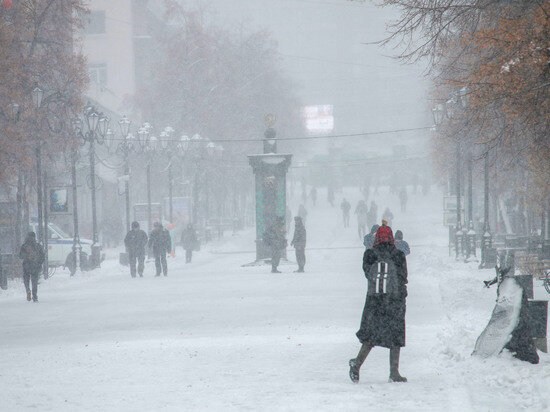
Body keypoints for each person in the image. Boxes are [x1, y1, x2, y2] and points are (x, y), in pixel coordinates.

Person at [350, 223, 408, 383]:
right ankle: (394, 372)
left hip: (374, 302)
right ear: (391, 238)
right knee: (395, 337)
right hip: (394, 301)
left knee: (371, 336)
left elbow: (368, 274)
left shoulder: (369, 254)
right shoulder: (398, 255)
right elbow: (403, 278)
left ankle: (357, 363)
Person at [19, 232, 45, 302]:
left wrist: (26, 257)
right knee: (34, 281)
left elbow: (20, 256)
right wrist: (39, 263)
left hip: (26, 265)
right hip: (35, 266)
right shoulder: (38, 246)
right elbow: (42, 256)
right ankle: (35, 296)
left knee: (26, 279)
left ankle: (28, 290)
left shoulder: (24, 246)